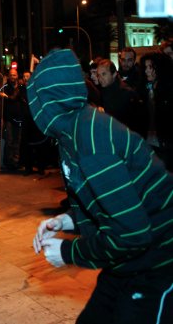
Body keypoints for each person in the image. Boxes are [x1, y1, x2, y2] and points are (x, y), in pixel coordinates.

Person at [30, 48, 173, 324]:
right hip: (124, 262)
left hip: (157, 263)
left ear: (47, 100)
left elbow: (133, 235)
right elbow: (105, 200)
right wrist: (66, 221)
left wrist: (68, 252)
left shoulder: (91, 141)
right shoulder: (71, 132)